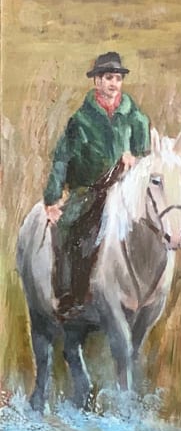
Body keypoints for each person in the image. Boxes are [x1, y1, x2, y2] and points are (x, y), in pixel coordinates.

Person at [43, 51, 151, 320]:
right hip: (88, 190)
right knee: (67, 227)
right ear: (96, 83)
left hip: (125, 190)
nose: (113, 84)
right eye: (107, 78)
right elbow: (61, 159)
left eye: (117, 78)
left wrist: (135, 160)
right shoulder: (80, 120)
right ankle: (68, 295)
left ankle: (145, 290)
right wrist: (52, 199)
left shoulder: (135, 117)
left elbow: (148, 156)